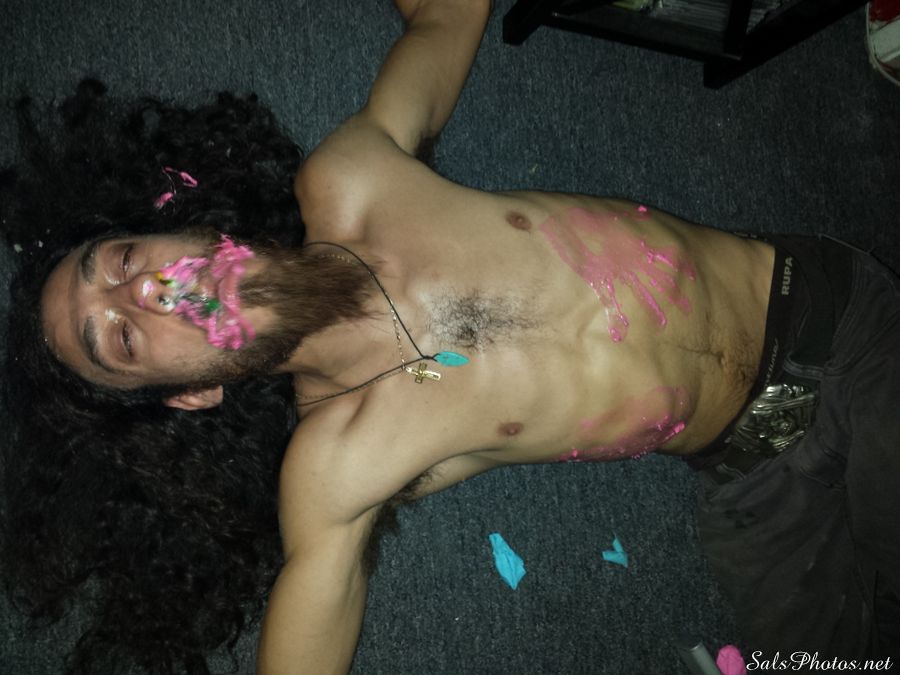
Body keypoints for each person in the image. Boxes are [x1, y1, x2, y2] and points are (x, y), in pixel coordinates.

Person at [2, 0, 898, 673]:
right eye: (119, 340)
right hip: (752, 475)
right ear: (192, 393)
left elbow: (448, 13)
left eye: (120, 260)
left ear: (179, 227)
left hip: (832, 320)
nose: (141, 293)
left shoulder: (353, 178)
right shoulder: (338, 459)